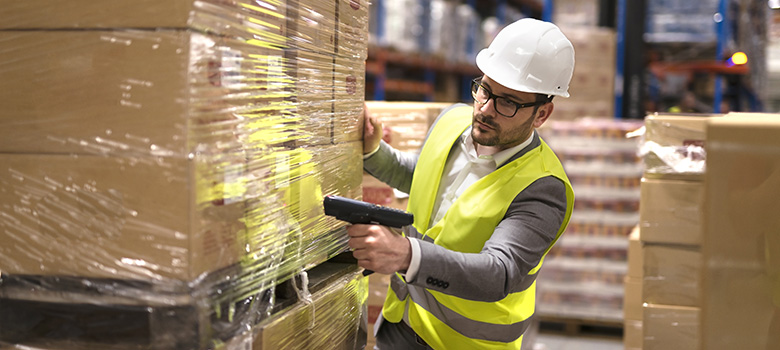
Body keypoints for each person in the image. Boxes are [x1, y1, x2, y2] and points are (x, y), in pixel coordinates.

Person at [347, 18, 575, 350]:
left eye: (508, 102)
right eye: (485, 89)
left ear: (542, 114)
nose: (485, 109)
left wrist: (406, 255)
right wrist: (373, 151)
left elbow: (499, 272)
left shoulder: (544, 187)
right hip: (402, 323)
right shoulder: (452, 121)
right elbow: (421, 176)